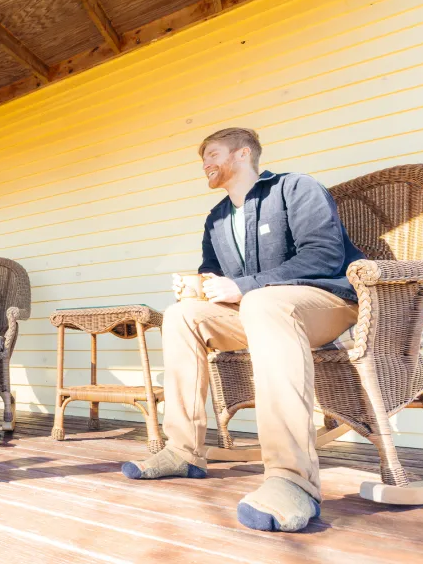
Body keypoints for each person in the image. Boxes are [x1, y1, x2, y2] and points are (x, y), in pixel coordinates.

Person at [121, 128, 365, 533]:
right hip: (258, 314)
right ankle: (183, 451)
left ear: (242, 154)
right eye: (202, 159)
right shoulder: (216, 219)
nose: (205, 165)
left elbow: (324, 254)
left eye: (212, 154)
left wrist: (246, 286)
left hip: (329, 305)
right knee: (182, 315)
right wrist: (199, 286)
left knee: (262, 299)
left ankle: (292, 480)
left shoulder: (294, 188)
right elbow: (214, 274)